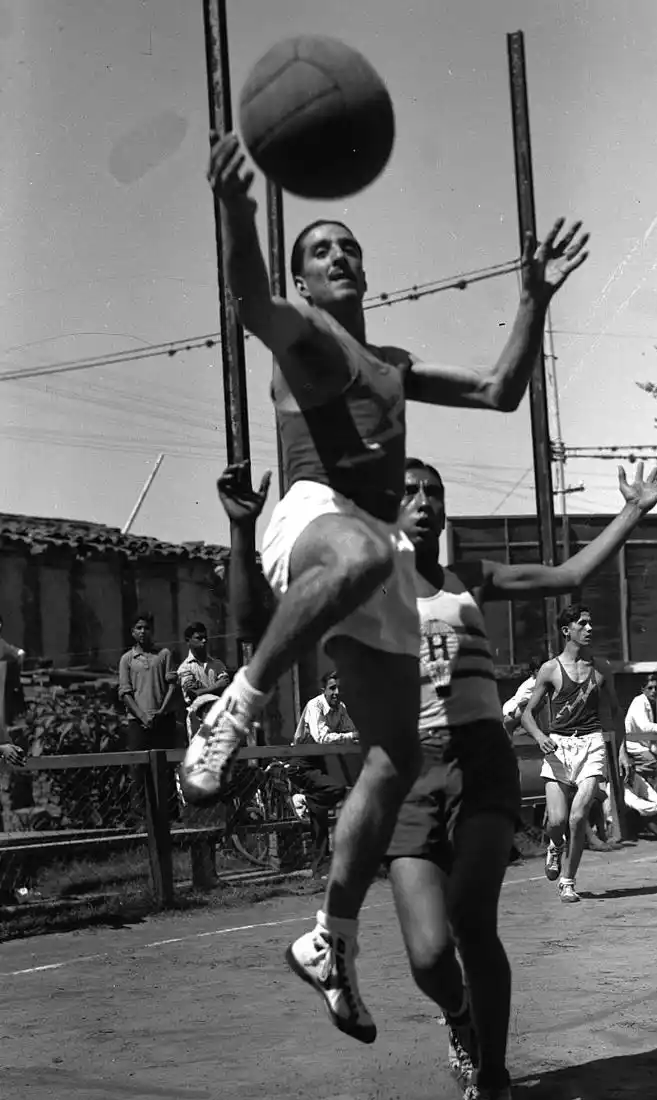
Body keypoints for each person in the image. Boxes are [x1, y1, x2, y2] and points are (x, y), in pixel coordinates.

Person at [189, 133, 589, 1043]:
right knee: (371, 553)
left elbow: (499, 390)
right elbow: (250, 298)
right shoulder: (303, 334)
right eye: (322, 249)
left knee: (392, 759)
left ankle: (331, 937)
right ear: (306, 278)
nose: (341, 256)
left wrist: (531, 297)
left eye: (350, 246)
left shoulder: (395, 366)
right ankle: (234, 708)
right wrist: (239, 211)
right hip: (315, 520)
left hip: (367, 560)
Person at [220, 455, 657, 1100]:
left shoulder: (472, 580)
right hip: (407, 777)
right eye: (410, 492)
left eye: (435, 491)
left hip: (480, 763)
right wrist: (240, 531)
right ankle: (463, 1021)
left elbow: (570, 575)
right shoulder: (358, 587)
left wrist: (634, 510)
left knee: (472, 920)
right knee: (430, 955)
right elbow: (259, 625)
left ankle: (493, 1081)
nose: (426, 501)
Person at [521, 606, 629, 904]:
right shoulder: (550, 669)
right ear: (566, 630)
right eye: (583, 623)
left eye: (591, 622)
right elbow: (528, 715)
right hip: (558, 747)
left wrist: (622, 752)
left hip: (592, 744)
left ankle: (568, 881)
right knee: (557, 820)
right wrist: (541, 737)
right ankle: (555, 846)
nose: (590, 628)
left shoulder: (601, 668)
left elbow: (617, 714)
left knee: (578, 816)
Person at [290, 672, 358, 876]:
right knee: (336, 789)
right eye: (332, 688)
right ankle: (302, 798)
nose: (337, 692)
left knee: (320, 817)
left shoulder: (342, 708)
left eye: (339, 688)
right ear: (324, 691)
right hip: (300, 763)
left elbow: (352, 732)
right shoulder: (315, 705)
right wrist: (350, 736)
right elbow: (321, 737)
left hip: (319, 763)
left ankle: (319, 866)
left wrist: (357, 735)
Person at [118, 614, 179, 826]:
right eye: (138, 628)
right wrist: (142, 716)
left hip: (162, 720)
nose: (143, 632)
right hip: (137, 722)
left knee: (165, 770)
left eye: (146, 628)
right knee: (138, 771)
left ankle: (169, 818)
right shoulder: (127, 659)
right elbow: (125, 692)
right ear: (132, 632)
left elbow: (172, 685)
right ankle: (141, 821)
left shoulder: (163, 655)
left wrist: (161, 712)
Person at [178, 622, 231, 739]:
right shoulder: (185, 668)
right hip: (197, 718)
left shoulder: (217, 664)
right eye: (198, 638)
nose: (204, 641)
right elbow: (192, 694)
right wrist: (216, 686)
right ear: (188, 641)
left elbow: (225, 684)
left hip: (219, 716)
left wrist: (202, 690)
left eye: (205, 638)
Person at [502, 656, 545, 736]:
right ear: (536, 671)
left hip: (514, 709)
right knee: (506, 731)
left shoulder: (533, 681)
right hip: (515, 710)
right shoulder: (536, 681)